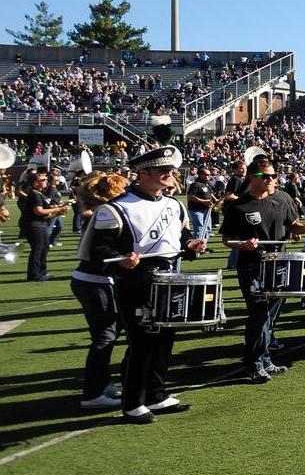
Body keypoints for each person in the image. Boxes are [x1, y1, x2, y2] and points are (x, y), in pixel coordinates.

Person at [80, 145, 208, 423]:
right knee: (141, 344)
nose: (169, 175)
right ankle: (132, 402)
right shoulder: (114, 208)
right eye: (163, 171)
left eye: (171, 171)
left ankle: (156, 395)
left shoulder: (174, 205)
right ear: (143, 172)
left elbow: (181, 240)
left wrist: (192, 245)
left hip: (169, 278)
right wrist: (121, 259)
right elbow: (100, 252)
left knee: (165, 341)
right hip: (135, 282)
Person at [221, 152, 305, 381]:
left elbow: (292, 226)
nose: (271, 179)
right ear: (252, 177)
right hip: (252, 266)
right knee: (258, 316)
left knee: (271, 317)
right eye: (266, 176)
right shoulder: (238, 205)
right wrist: (244, 244)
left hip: (278, 265)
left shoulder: (282, 199)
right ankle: (252, 364)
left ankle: (266, 358)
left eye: (273, 175)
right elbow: (227, 239)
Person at [70, 170, 130, 409]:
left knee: (109, 333)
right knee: (104, 337)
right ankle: (93, 393)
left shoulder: (101, 212)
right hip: (95, 281)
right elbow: (102, 253)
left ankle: (102, 383)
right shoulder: (107, 214)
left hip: (93, 280)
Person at [18, 166, 65, 281]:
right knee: (38, 248)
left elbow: (46, 207)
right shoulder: (34, 194)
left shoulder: (39, 193)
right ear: (35, 183)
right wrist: (57, 210)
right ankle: (34, 275)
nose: (46, 181)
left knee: (44, 248)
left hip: (40, 224)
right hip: (34, 224)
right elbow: (38, 211)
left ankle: (42, 272)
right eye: (42, 180)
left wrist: (58, 207)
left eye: (45, 179)